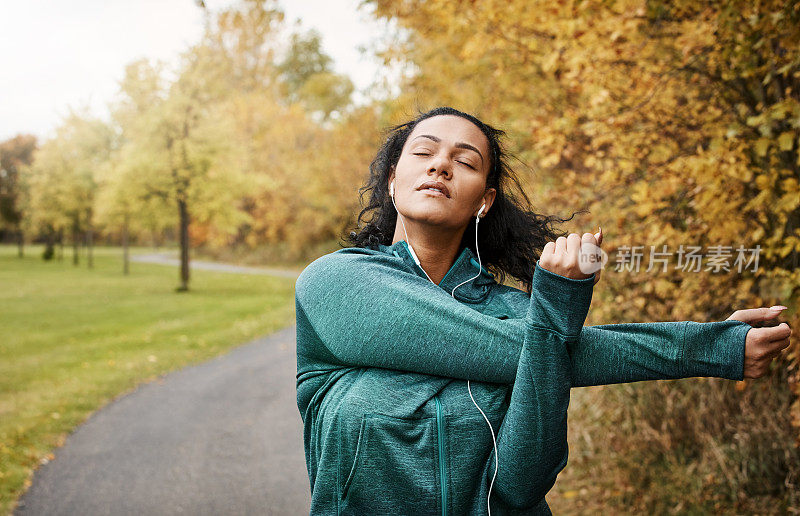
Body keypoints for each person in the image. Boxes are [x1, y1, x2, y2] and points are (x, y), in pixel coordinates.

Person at [294, 106, 791, 515]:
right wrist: (706, 348)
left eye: (465, 162)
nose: (440, 166)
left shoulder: (517, 311)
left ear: (485, 201)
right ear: (391, 180)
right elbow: (517, 349)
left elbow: (520, 485)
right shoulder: (335, 285)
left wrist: (554, 311)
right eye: (423, 152)